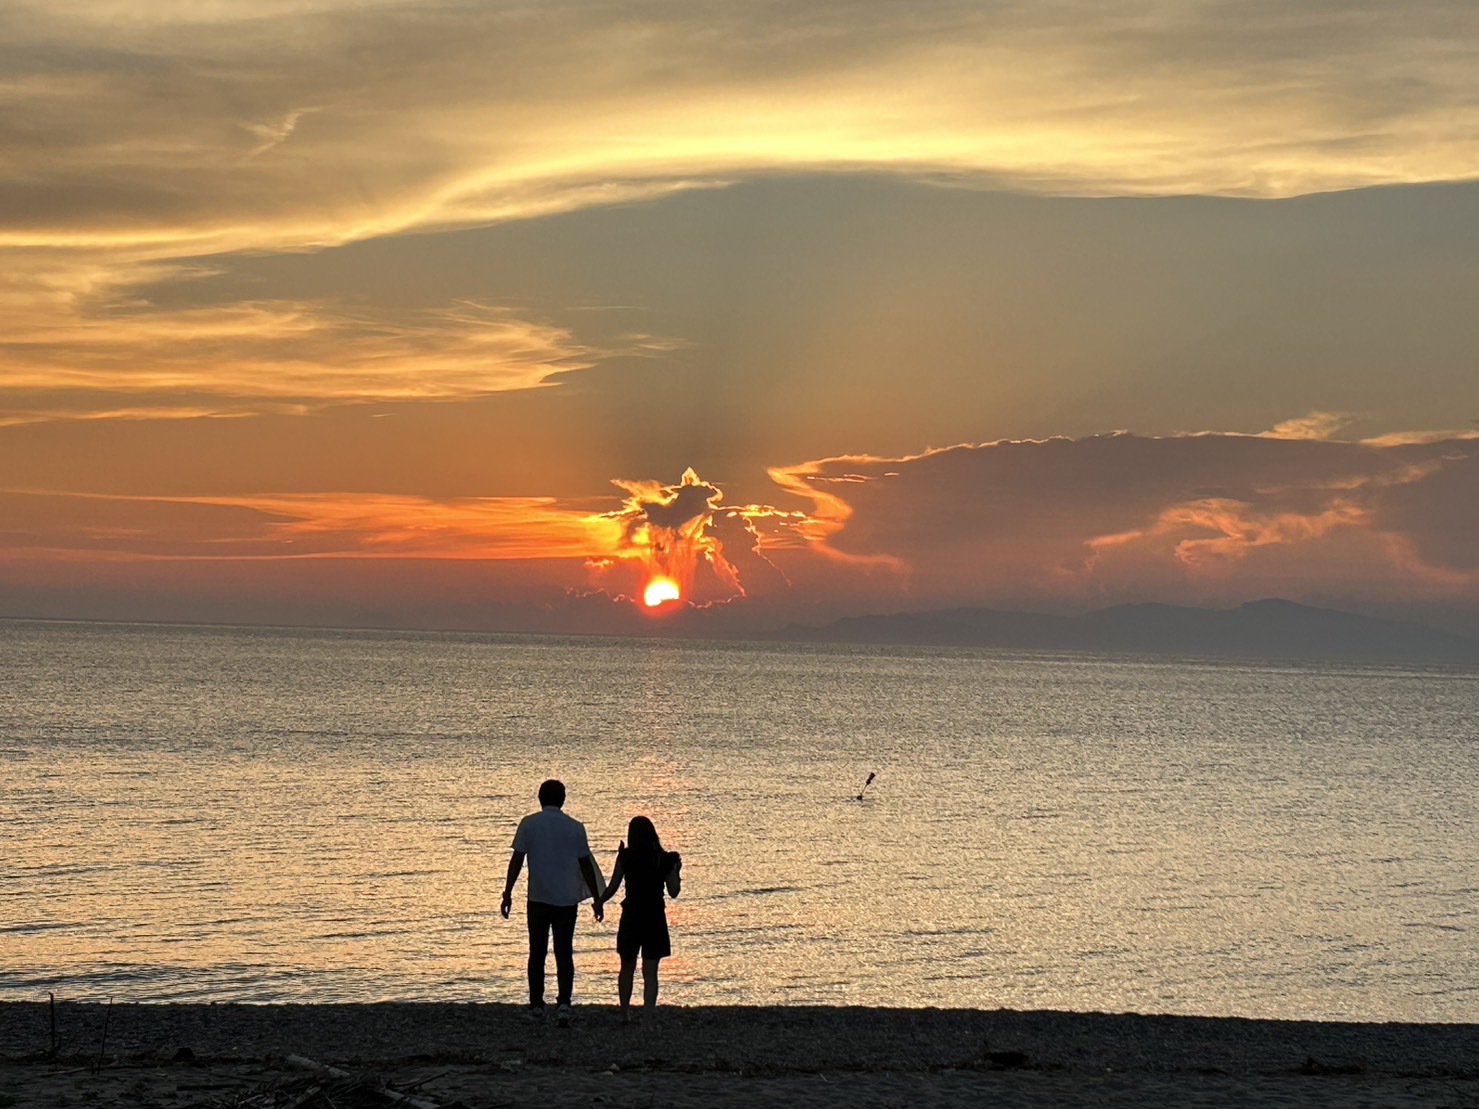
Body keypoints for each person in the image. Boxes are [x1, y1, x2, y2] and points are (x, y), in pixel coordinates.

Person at [501, 779, 603, 1026]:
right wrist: (597, 898)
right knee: (564, 952)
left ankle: (536, 1004)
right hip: (566, 900)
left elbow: (517, 860)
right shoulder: (575, 828)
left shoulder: (529, 824)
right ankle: (564, 1004)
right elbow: (585, 865)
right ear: (563, 799)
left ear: (540, 798)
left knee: (536, 952)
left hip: (538, 897)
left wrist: (507, 892)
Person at [595, 815, 682, 1023]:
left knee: (627, 966)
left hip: (632, 914)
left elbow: (613, 886)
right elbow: (674, 892)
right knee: (650, 971)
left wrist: (599, 902)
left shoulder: (626, 857)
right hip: (654, 916)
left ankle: (625, 1013)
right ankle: (648, 1017)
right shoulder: (665, 859)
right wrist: (676, 872)